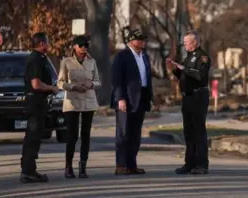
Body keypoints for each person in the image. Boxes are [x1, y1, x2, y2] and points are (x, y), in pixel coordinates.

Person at [166, 30, 211, 175]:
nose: (184, 44)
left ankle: (202, 164)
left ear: (195, 42)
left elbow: (199, 75)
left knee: (199, 131)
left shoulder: (203, 57)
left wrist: (184, 68)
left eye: (186, 42)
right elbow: (184, 76)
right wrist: (174, 69)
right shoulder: (188, 57)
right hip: (188, 97)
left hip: (198, 96)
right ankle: (189, 163)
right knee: (188, 132)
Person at [57, 35, 101, 179]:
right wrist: (73, 86)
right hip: (72, 102)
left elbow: (98, 82)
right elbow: (60, 83)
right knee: (72, 135)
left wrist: (91, 85)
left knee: (86, 135)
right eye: (81, 46)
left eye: (86, 46)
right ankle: (68, 167)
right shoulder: (66, 61)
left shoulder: (91, 62)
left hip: (89, 101)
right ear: (74, 47)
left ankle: (83, 167)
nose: (84, 49)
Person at [111, 29, 153, 175]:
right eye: (140, 39)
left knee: (135, 134)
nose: (143, 42)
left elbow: (147, 78)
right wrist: (120, 98)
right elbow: (116, 80)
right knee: (123, 132)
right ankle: (121, 165)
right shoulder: (122, 56)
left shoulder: (145, 56)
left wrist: (150, 98)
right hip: (126, 99)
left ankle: (132, 164)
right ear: (132, 41)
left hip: (140, 98)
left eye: (144, 39)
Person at [20, 32, 60, 183]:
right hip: (35, 103)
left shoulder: (39, 58)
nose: (48, 45)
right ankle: (28, 171)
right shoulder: (36, 59)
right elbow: (36, 84)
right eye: (47, 42)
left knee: (34, 137)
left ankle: (29, 169)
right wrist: (52, 88)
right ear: (42, 44)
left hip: (38, 104)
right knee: (33, 137)